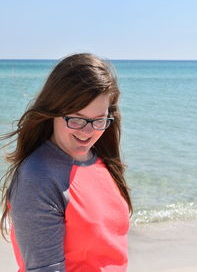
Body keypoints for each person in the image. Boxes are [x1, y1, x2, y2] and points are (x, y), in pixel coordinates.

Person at [0, 53, 133, 272]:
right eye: (77, 119)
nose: (88, 132)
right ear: (54, 110)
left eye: (98, 120)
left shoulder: (101, 160)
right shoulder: (38, 177)